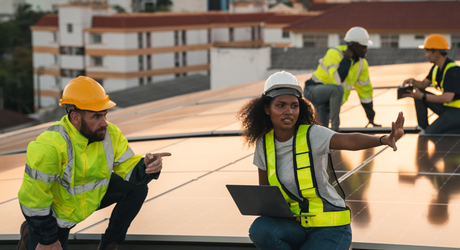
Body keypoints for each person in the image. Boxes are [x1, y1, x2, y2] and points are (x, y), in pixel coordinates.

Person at [237, 71, 404, 249]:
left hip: (330, 227)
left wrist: (383, 139)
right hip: (296, 225)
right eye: (280, 105)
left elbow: (348, 140)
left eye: (294, 106)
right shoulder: (264, 143)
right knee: (261, 228)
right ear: (266, 108)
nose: (289, 111)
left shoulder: (313, 134)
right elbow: (267, 194)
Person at [17, 76, 171, 250]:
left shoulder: (110, 134)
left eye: (105, 114)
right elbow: (32, 200)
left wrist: (146, 167)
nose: (104, 123)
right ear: (75, 117)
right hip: (55, 216)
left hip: (87, 200)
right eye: (97, 116)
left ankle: (109, 244)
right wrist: (48, 239)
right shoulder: (49, 146)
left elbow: (130, 170)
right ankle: (32, 231)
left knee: (137, 188)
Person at [304, 26, 380, 131]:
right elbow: (337, 80)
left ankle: (327, 137)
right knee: (337, 90)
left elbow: (365, 92)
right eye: (363, 47)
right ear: (353, 46)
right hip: (313, 92)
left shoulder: (362, 64)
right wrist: (347, 59)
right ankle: (335, 132)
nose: (366, 50)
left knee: (321, 130)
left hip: (329, 101)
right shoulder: (334, 53)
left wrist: (370, 117)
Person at [402, 34, 460, 134]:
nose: (426, 55)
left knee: (432, 133)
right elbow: (424, 84)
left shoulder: (453, 71)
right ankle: (423, 127)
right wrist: (413, 82)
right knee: (418, 94)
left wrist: (422, 96)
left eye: (427, 52)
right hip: (447, 107)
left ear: (436, 53)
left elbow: (447, 98)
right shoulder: (436, 67)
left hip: (457, 111)